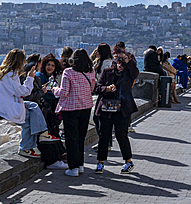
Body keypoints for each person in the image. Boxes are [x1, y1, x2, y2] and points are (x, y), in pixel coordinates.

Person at [0, 48, 48, 158]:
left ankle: (43, 132)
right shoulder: (11, 75)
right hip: (3, 107)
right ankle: (26, 148)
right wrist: (30, 78)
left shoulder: (1, 72)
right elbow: (23, 92)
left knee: (33, 106)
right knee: (28, 119)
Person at [94, 42, 139, 174]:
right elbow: (97, 87)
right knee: (104, 135)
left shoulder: (128, 74)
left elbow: (135, 72)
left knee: (121, 135)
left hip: (122, 109)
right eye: (117, 61)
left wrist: (127, 57)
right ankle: (100, 162)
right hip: (107, 108)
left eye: (121, 62)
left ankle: (128, 161)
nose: (119, 64)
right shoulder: (107, 72)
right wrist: (106, 88)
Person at [54, 48, 96, 176]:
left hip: (71, 108)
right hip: (86, 107)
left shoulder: (68, 72)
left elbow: (64, 92)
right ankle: (80, 164)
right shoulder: (91, 71)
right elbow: (92, 88)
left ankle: (73, 168)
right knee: (80, 137)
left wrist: (54, 89)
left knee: (71, 138)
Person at [33, 54, 62, 139]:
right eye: (48, 65)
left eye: (52, 65)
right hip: (44, 108)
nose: (50, 67)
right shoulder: (40, 76)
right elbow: (43, 92)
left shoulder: (50, 77)